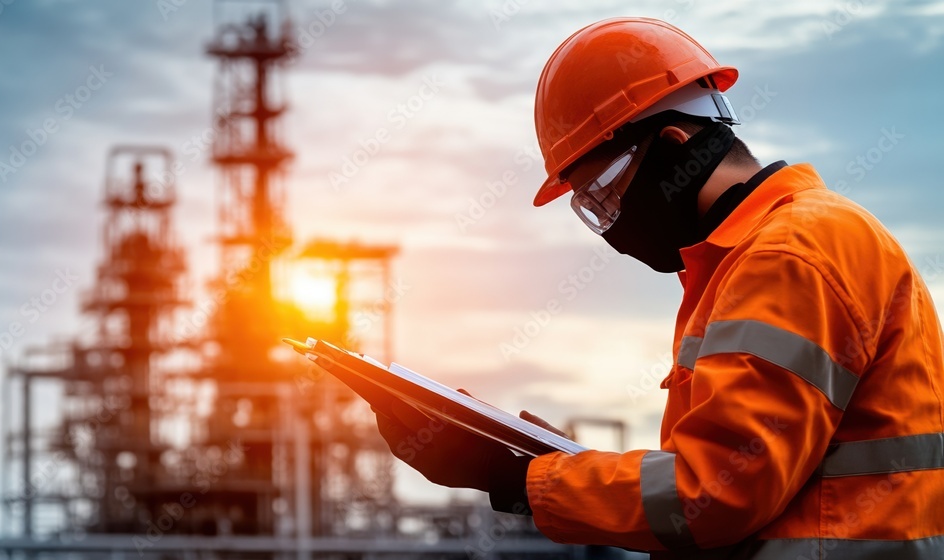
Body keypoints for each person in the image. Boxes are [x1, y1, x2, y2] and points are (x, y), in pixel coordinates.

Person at [374, 17, 944, 559]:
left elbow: (716, 491)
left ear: (674, 144)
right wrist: (559, 461)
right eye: (589, 207)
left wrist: (512, 475)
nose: (611, 218)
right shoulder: (758, 256)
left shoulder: (786, 256)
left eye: (604, 188)